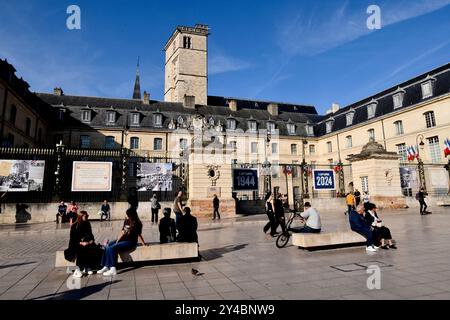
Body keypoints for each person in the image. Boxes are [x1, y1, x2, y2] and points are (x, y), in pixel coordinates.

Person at [98, 208, 147, 276]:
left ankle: (113, 268)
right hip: (123, 239)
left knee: (112, 248)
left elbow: (139, 234)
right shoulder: (126, 221)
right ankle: (106, 266)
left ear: (131, 215)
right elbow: (122, 232)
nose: (126, 216)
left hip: (130, 242)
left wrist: (143, 243)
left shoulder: (137, 223)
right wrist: (118, 240)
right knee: (108, 245)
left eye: (127, 215)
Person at [66, 211, 102, 278]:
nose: (87, 217)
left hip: (87, 243)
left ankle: (87, 266)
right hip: (75, 244)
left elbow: (91, 236)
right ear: (81, 216)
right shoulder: (75, 226)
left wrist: (89, 242)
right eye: (85, 216)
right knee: (81, 249)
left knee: (92, 247)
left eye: (87, 216)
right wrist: (81, 243)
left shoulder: (87, 224)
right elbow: (73, 239)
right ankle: (78, 269)